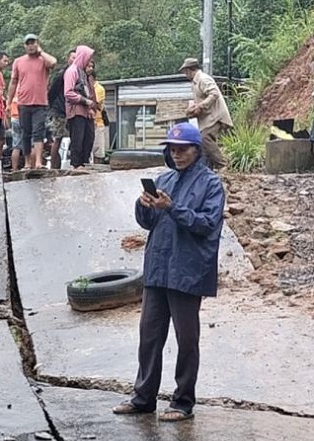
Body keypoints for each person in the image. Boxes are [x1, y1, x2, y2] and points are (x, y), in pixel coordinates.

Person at [112, 122, 225, 423]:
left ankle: (183, 402)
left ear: (196, 151)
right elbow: (149, 223)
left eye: (182, 149)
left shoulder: (211, 184)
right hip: (158, 268)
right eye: (172, 149)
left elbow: (207, 224)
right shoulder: (165, 179)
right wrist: (143, 205)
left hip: (188, 271)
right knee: (149, 336)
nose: (177, 154)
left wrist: (172, 208)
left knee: (186, 339)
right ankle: (143, 398)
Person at [6, 34, 57, 171]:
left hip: (40, 103)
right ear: (24, 46)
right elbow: (13, 82)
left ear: (37, 43)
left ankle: (38, 162)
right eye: (28, 43)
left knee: (38, 132)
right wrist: (9, 102)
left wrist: (41, 52)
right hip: (23, 102)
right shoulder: (18, 61)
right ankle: (27, 162)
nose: (30, 46)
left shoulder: (43, 60)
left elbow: (53, 62)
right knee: (26, 133)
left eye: (33, 43)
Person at [179, 58, 233, 170]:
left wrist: (200, 106)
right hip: (207, 118)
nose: (185, 75)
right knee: (203, 146)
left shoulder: (203, 79)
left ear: (189, 70)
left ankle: (223, 165)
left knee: (205, 138)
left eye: (185, 72)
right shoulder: (195, 82)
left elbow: (214, 94)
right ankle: (207, 170)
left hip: (215, 116)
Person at [64, 45, 96, 169]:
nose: (89, 61)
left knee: (88, 140)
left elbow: (88, 92)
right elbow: (68, 93)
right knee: (78, 141)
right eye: (88, 58)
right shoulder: (72, 71)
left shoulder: (83, 73)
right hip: (76, 112)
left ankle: (85, 164)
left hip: (86, 112)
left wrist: (90, 107)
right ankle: (76, 166)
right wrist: (84, 101)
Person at [47, 50, 77, 169]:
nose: (74, 60)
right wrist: (54, 106)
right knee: (57, 139)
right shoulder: (62, 74)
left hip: (71, 110)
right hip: (59, 111)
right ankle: (53, 166)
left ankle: (74, 163)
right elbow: (52, 92)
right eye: (72, 57)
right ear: (67, 58)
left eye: (76, 58)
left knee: (74, 138)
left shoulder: (77, 73)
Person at [89, 62, 107, 164]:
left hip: (97, 122)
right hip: (88, 122)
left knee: (98, 150)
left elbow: (94, 104)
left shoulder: (99, 89)